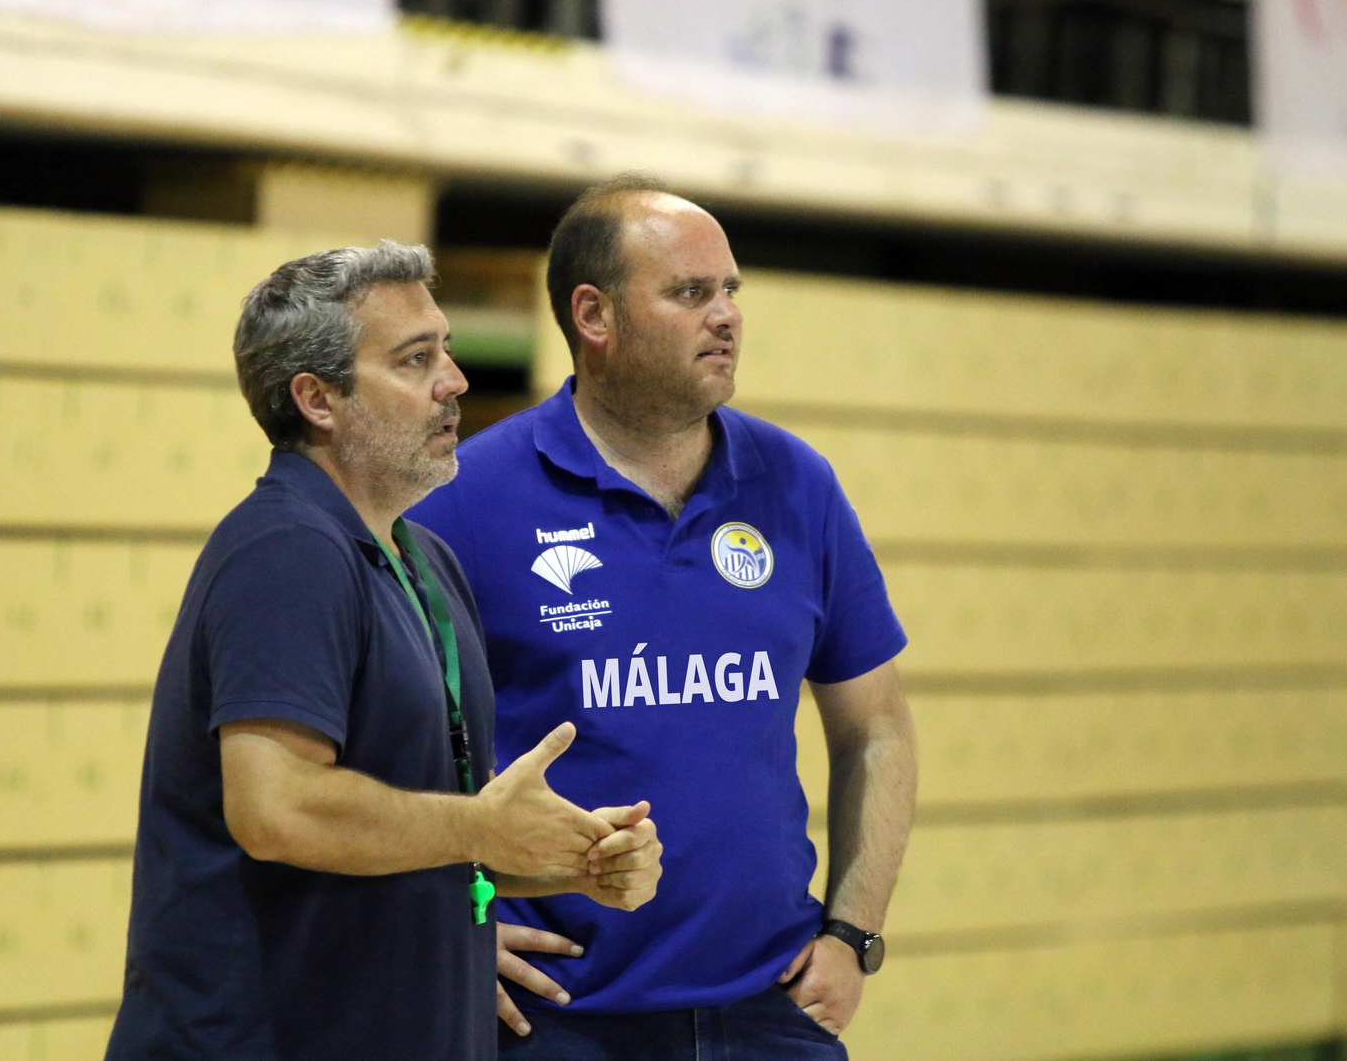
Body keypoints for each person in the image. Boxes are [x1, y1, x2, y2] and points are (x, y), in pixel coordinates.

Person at [104, 242, 663, 1061]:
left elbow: (411, 836)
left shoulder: (425, 562)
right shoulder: (285, 551)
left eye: (448, 348)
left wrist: (571, 856)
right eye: (416, 359)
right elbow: (278, 807)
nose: (455, 382)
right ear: (318, 398)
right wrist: (483, 826)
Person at [410, 176, 916, 1059]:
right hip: (554, 1020)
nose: (725, 316)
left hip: (775, 1013)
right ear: (594, 316)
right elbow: (378, 762)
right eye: (690, 293)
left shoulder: (799, 485)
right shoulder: (465, 501)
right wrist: (451, 926)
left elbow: (874, 728)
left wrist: (854, 931)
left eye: (730, 292)